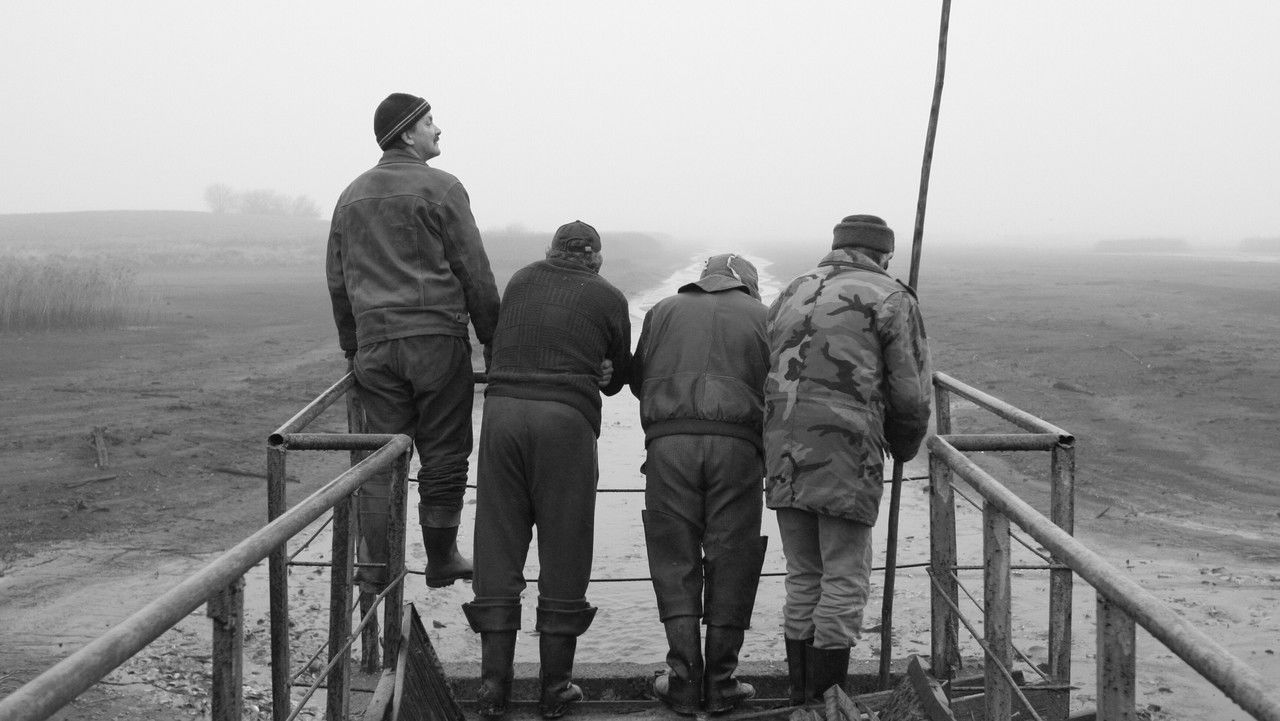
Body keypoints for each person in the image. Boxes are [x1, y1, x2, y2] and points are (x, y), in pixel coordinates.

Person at [327, 92, 500, 594]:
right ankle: (442, 559)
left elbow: (338, 278)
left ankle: (375, 566)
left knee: (382, 455)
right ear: (406, 133)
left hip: (375, 347)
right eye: (429, 122)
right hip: (435, 341)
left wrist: (352, 345)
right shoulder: (442, 187)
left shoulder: (350, 195)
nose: (437, 129)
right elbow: (474, 270)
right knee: (444, 452)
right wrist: (492, 339)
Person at [461, 220, 632, 720]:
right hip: (565, 422)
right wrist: (605, 370)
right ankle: (555, 688)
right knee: (565, 545)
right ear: (595, 258)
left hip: (502, 415)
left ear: (550, 250)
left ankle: (493, 689)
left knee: (497, 540)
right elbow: (618, 377)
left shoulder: (521, 280)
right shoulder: (609, 295)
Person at [764, 215, 932, 702]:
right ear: (884, 255)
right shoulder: (892, 297)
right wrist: (904, 446)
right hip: (846, 450)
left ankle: (801, 698)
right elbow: (911, 393)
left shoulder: (793, 289)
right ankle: (829, 701)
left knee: (803, 575)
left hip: (781, 444)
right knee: (844, 576)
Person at [629, 254, 771, 715]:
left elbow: (639, 379)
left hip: (669, 445)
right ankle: (722, 683)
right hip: (738, 448)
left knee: (674, 557)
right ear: (747, 284)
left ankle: (684, 682)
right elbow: (777, 385)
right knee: (732, 556)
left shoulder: (662, 310)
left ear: (704, 277)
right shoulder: (763, 316)